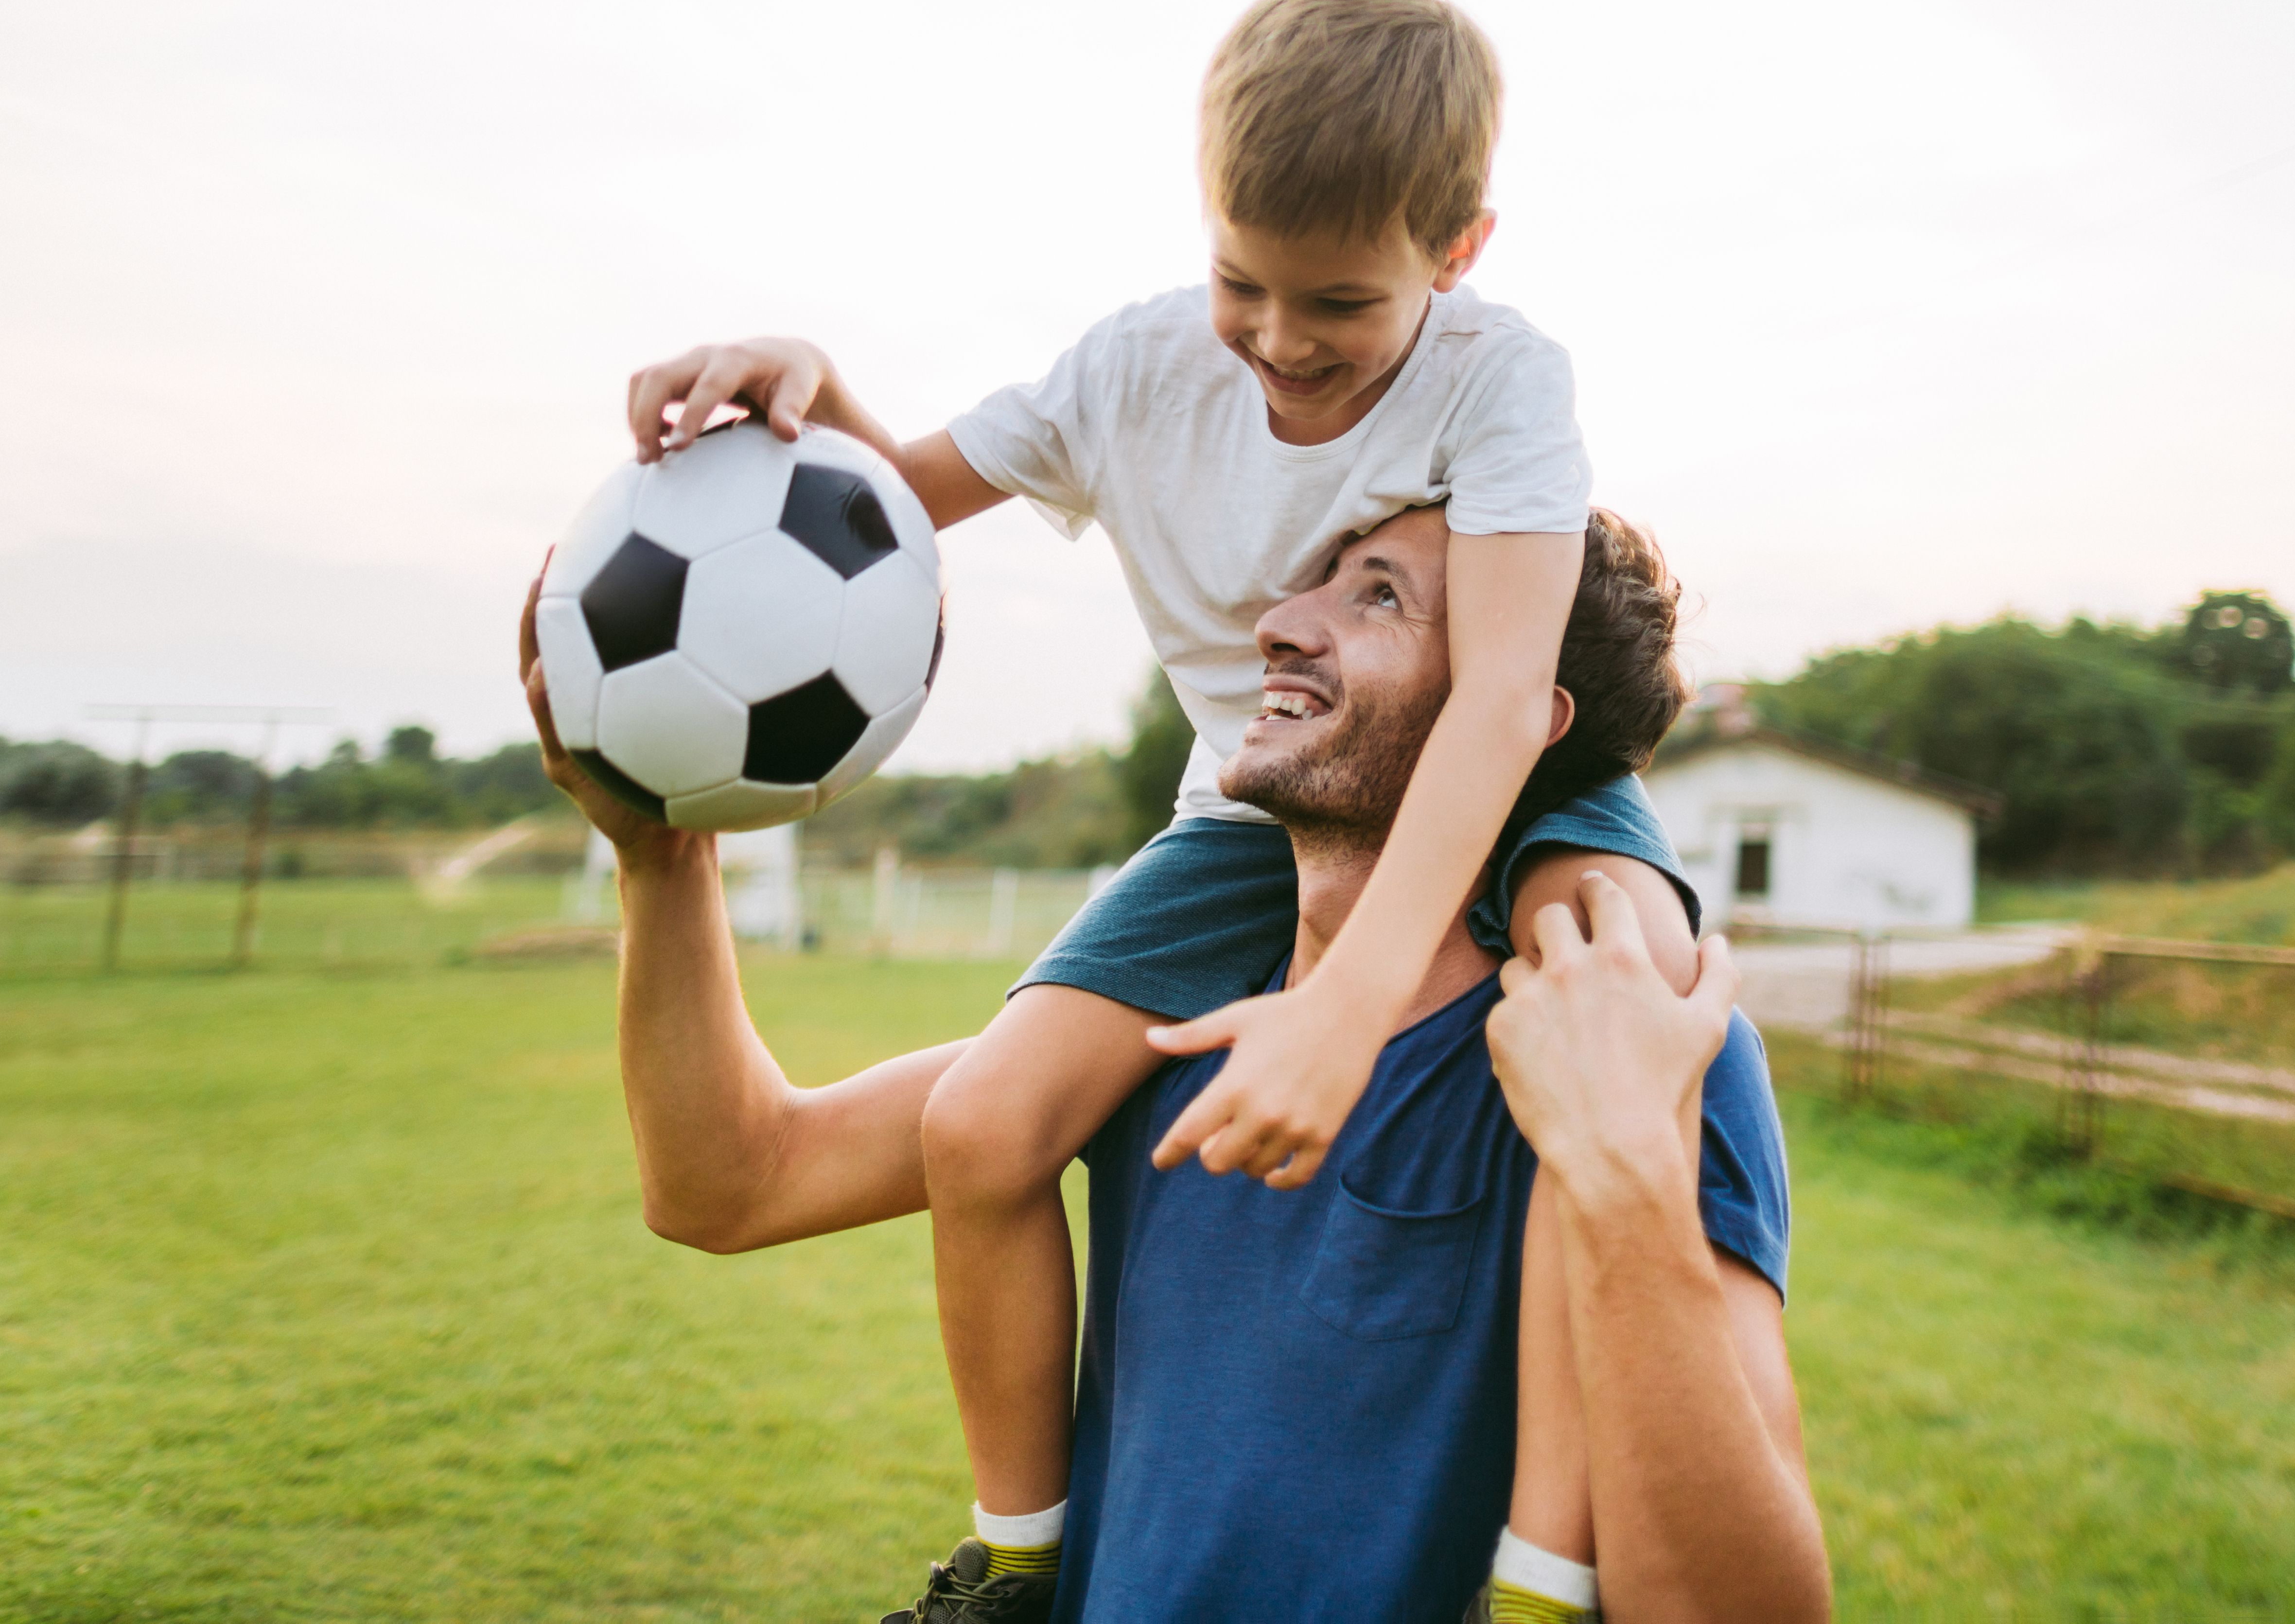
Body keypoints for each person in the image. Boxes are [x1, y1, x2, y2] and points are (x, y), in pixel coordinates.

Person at [616, 0, 1692, 1612]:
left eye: (1339, 304)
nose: (1279, 340)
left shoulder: (1502, 378)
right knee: (984, 1126)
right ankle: (1015, 1564)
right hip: (1254, 812)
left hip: (1519, 771)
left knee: (1607, 1018)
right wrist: (805, 389)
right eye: (1240, 283)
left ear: (1456, 253)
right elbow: (876, 526)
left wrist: (1352, 1013)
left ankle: (1547, 1580)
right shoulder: (1130, 377)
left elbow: (1498, 698)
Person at [518, 505, 1832, 1619]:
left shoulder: (1637, 1056)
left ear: (1507, 716)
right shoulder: (1150, 1039)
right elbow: (726, 1183)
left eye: (1377, 598)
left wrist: (1625, 1177)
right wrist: (661, 853)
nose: (1281, 622)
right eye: (1315, 576)